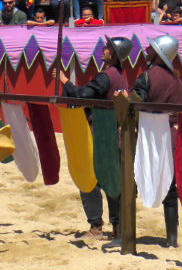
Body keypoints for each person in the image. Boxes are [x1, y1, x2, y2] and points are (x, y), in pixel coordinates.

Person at [56, 35, 133, 241]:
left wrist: (64, 81)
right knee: (111, 179)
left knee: (89, 179)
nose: (104, 49)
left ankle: (96, 227)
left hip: (98, 133)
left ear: (115, 55)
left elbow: (82, 95)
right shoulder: (119, 75)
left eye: (108, 47)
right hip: (112, 133)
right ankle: (117, 225)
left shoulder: (106, 76)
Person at [126, 34, 182, 248]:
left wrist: (125, 98)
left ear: (160, 54)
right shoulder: (177, 80)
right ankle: (172, 239)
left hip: (147, 134)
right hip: (170, 135)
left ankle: (125, 234)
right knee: (170, 185)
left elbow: (135, 100)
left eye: (152, 49)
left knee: (130, 178)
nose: (147, 50)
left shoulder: (148, 76)